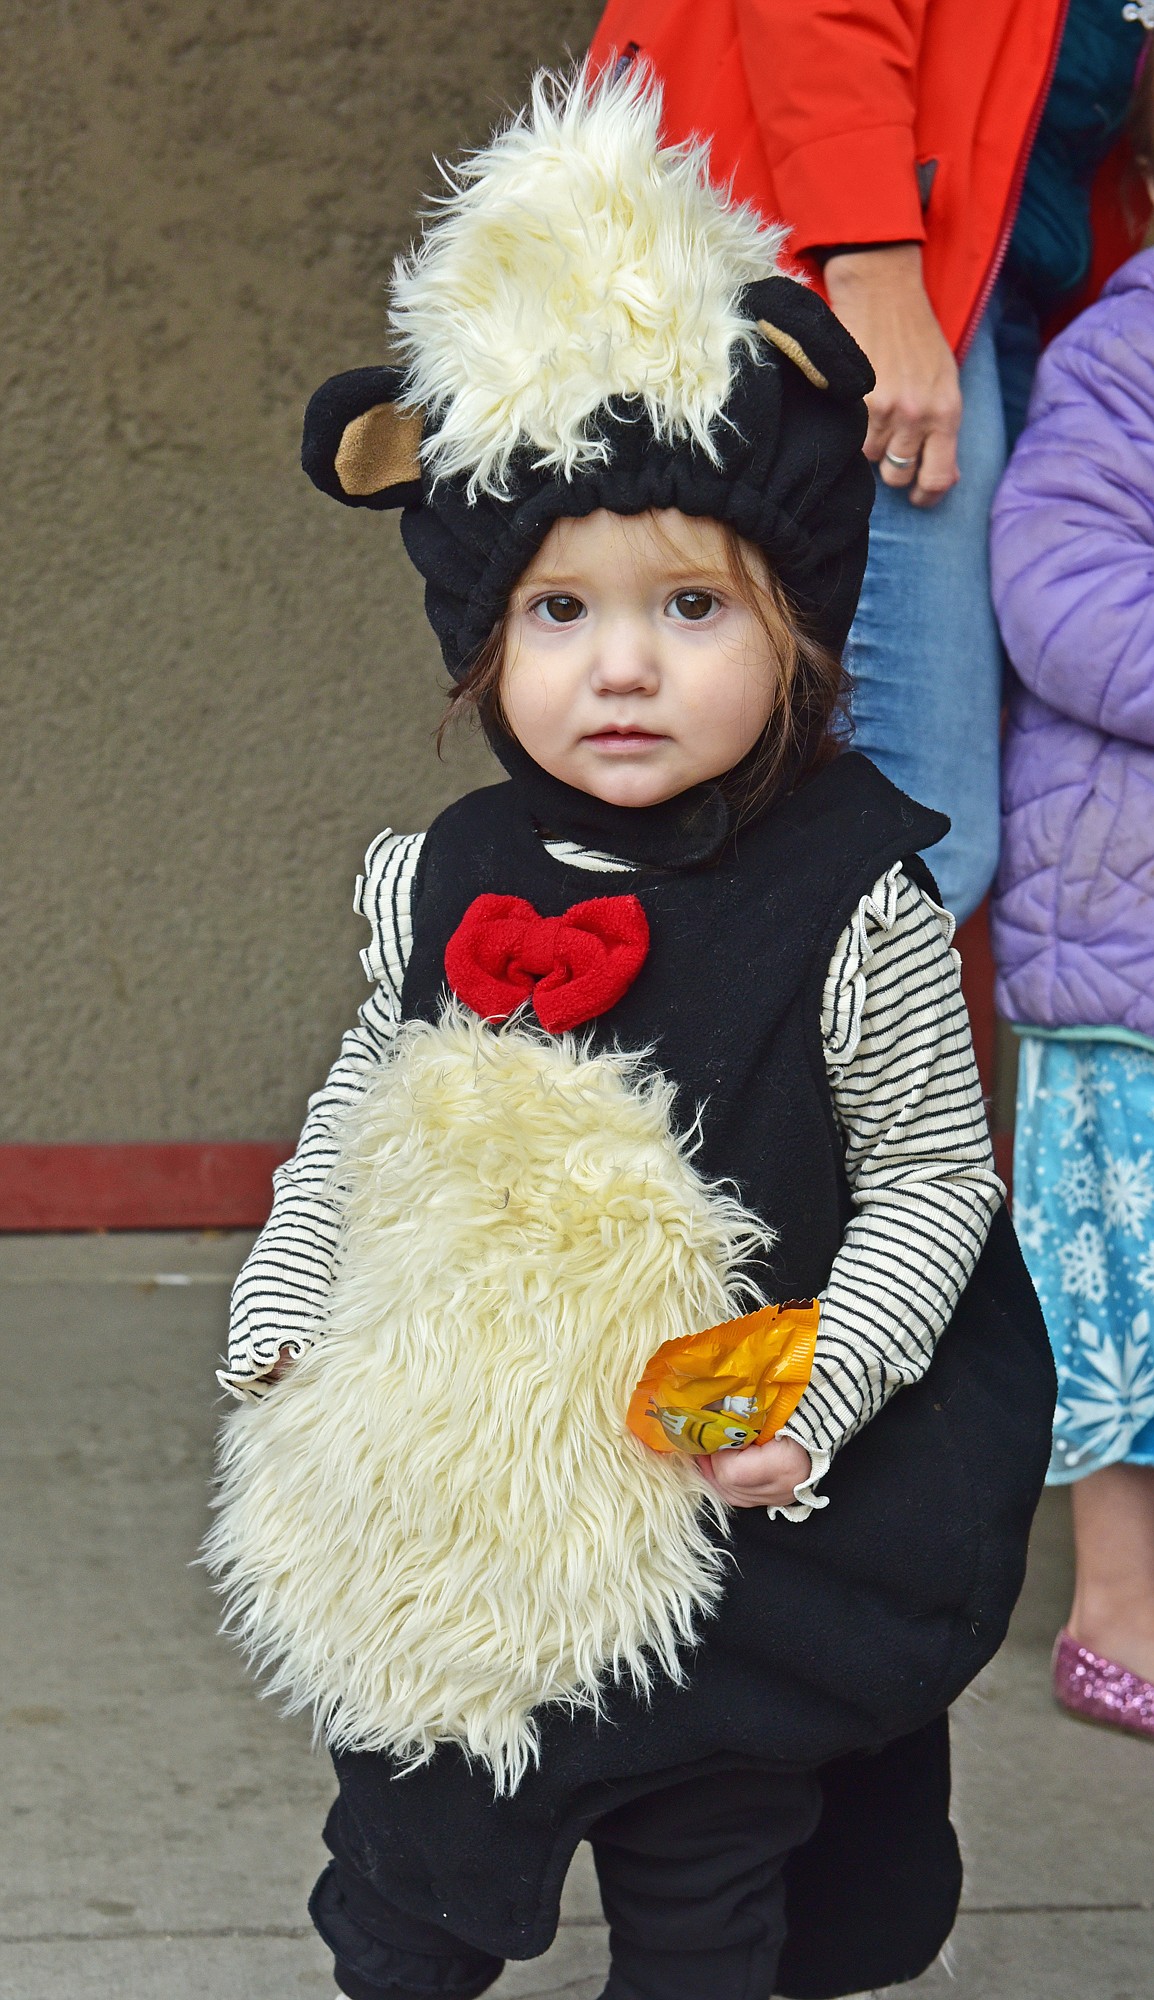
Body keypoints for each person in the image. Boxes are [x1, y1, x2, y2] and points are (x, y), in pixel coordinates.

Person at [209, 72, 1054, 2000]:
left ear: (796, 633)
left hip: (715, 1498)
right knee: (409, 1878)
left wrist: (808, 1391)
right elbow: (369, 1087)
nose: (616, 661)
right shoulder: (441, 872)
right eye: (556, 610)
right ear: (482, 646)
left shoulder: (858, 898)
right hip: (476, 1496)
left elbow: (929, 1179)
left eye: (688, 604)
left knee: (706, 1892)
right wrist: (290, 1289)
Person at [587, 0, 1149, 922]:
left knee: (844, 828)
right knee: (914, 838)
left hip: (980, 300)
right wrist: (871, 264)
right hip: (837, 277)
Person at [990, 43, 1154, 1743]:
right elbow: (1052, 587)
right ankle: (1117, 1603)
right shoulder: (1123, 350)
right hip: (1124, 946)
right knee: (1123, 1301)